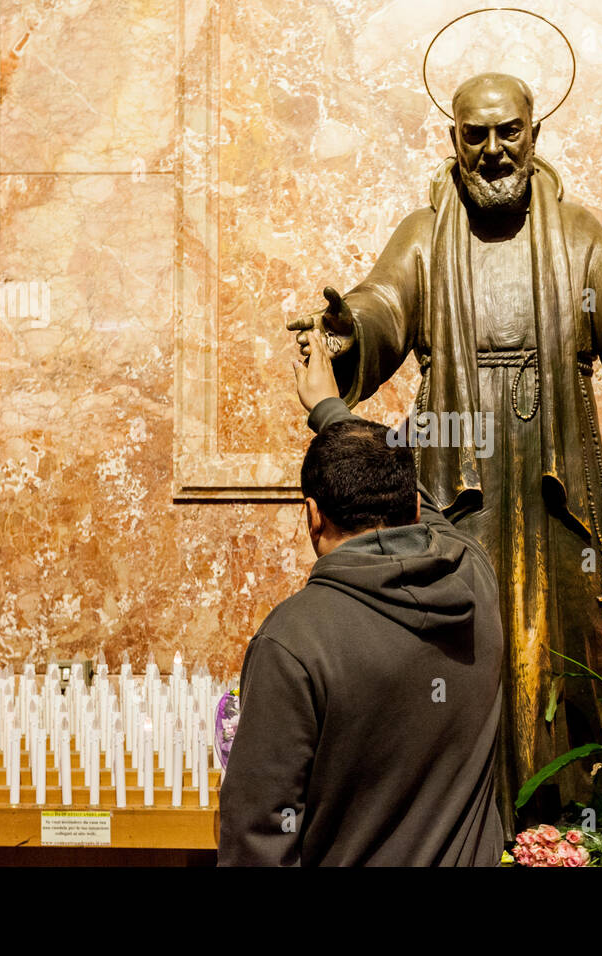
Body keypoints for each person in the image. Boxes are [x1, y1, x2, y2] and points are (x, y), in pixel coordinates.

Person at [287, 72, 602, 831]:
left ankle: (572, 828)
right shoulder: (425, 232)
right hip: (457, 478)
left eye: (511, 132)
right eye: (477, 134)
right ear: (453, 141)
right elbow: (384, 304)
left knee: (567, 649)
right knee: (453, 645)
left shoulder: (575, 232)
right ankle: (461, 825)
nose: (495, 150)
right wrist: (348, 327)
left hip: (551, 467)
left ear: (535, 135)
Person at [216, 332, 505, 866]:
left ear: (311, 515)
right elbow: (415, 501)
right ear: (415, 512)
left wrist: (328, 409)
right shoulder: (474, 576)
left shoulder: (293, 641)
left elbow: (257, 838)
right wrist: (331, 410)